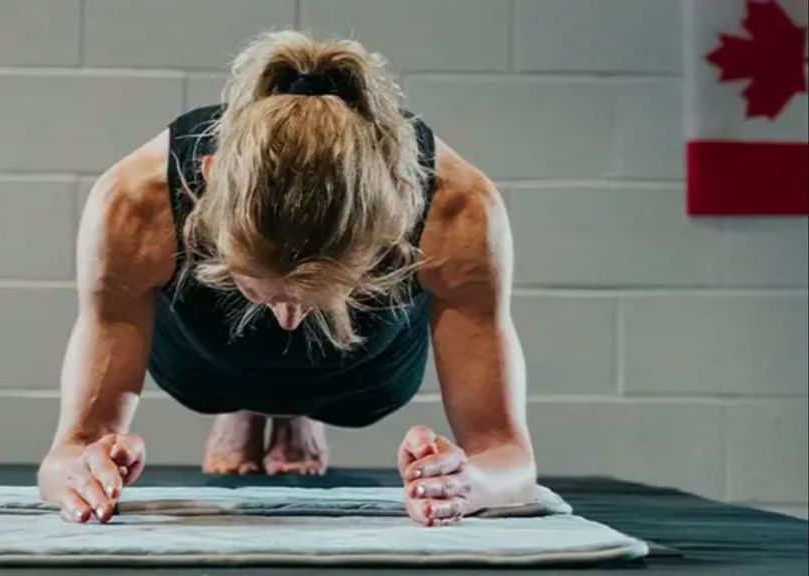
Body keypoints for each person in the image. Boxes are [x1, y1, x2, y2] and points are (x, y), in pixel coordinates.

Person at [38, 30, 536, 528]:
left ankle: (298, 407)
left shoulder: (459, 208)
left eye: (317, 297)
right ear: (208, 179)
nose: (288, 322)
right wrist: (84, 471)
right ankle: (247, 405)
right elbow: (66, 455)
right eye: (259, 288)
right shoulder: (133, 203)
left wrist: (468, 483)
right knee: (228, 369)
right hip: (204, 358)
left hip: (364, 371)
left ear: (398, 209)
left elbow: (508, 458)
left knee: (344, 375)